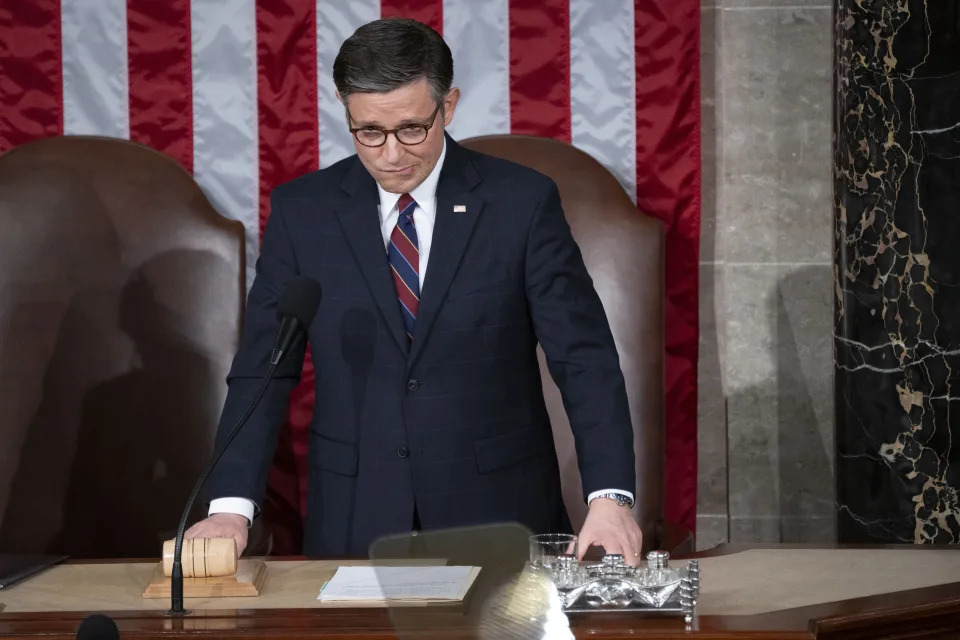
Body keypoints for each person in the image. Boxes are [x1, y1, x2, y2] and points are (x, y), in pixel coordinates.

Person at [186, 17, 643, 563]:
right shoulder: (302, 213)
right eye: (369, 132)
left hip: (499, 510)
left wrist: (611, 496)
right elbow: (265, 366)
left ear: (447, 107)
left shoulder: (519, 204)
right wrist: (230, 506)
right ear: (345, 108)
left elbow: (584, 358)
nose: (392, 154)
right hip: (356, 515)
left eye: (411, 130)